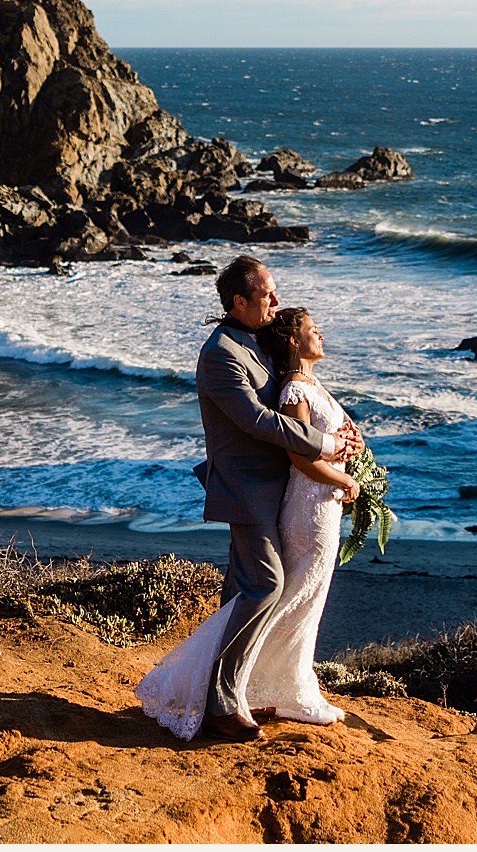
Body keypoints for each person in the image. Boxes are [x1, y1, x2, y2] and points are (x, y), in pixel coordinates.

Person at [135, 256, 362, 742]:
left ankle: (235, 691)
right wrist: (324, 445)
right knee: (265, 586)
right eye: (266, 295)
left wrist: (342, 438)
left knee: (242, 592)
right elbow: (258, 421)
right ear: (238, 301)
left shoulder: (257, 340)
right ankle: (218, 704)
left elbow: (299, 386)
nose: (275, 302)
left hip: (280, 492)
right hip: (245, 491)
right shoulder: (219, 354)